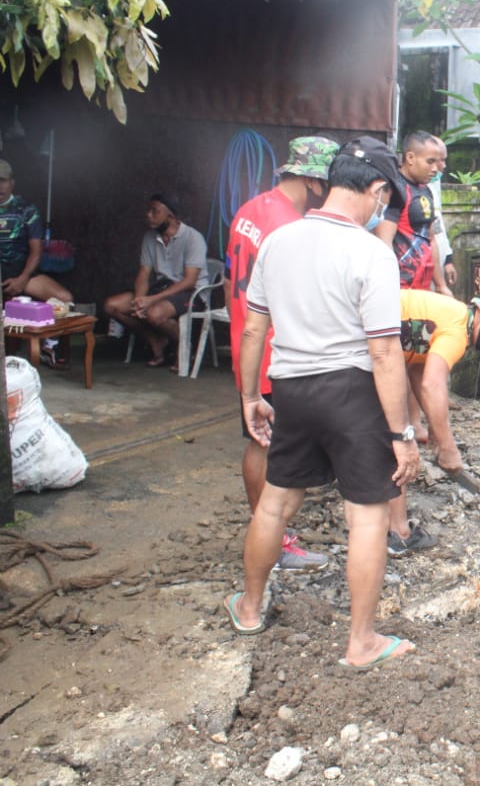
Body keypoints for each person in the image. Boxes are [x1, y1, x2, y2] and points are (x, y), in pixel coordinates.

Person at [226, 136, 419, 670]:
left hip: (289, 388)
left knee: (274, 503)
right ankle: (361, 642)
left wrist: (249, 397)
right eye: (386, 195)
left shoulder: (279, 241)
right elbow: (383, 351)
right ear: (378, 190)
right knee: (367, 517)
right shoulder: (371, 254)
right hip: (351, 394)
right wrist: (402, 434)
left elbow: (253, 332)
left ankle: (248, 606)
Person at [226, 136, 338, 571]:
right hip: (277, 352)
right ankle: (275, 539)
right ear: (313, 180)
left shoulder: (249, 210)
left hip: (247, 345)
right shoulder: (287, 226)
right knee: (277, 450)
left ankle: (264, 532)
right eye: (327, 185)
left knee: (257, 443)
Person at [389, 289, 480, 554]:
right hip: (363, 350)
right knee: (397, 441)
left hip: (367, 345)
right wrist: (448, 447)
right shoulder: (457, 331)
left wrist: (435, 431)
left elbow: (417, 370)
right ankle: (399, 534)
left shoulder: (450, 315)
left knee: (397, 436)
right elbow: (432, 384)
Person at [104, 193, 208, 369]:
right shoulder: (150, 238)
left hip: (192, 293)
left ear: (170, 217)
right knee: (112, 306)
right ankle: (156, 340)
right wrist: (139, 300)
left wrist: (150, 300)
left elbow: (189, 281)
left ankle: (183, 346)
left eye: (154, 211)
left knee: (154, 313)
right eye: (149, 210)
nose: (148, 215)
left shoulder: (193, 238)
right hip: (163, 289)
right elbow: (144, 273)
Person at [373, 131, 450, 296]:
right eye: (430, 162)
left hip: (423, 286)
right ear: (410, 158)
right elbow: (384, 242)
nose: (436, 169)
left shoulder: (425, 190)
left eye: (438, 162)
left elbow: (432, 239)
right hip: (400, 287)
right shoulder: (395, 190)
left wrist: (441, 285)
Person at [0, 159, 73, 305]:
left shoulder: (27, 210)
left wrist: (22, 279)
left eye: (2, 181)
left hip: (20, 272)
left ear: (12, 183)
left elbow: (36, 251)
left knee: (65, 299)